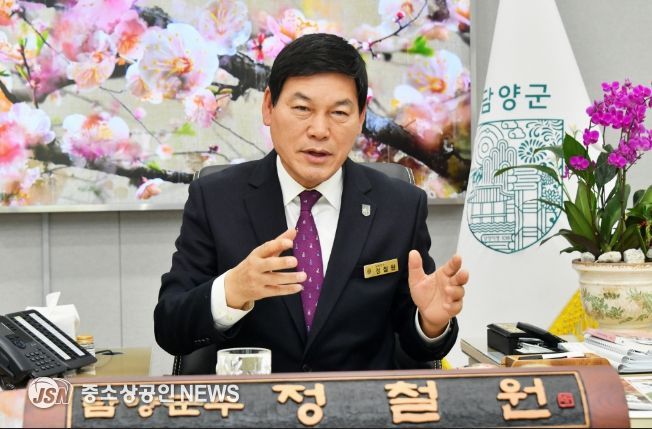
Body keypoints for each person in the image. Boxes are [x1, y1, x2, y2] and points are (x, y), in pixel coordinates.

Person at [154, 33, 469, 372]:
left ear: (361, 117)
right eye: (302, 109)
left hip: (360, 402)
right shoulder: (216, 198)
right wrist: (232, 290)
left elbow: (415, 338)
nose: (319, 130)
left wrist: (430, 323)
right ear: (269, 107)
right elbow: (170, 327)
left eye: (339, 112)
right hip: (254, 401)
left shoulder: (399, 206)